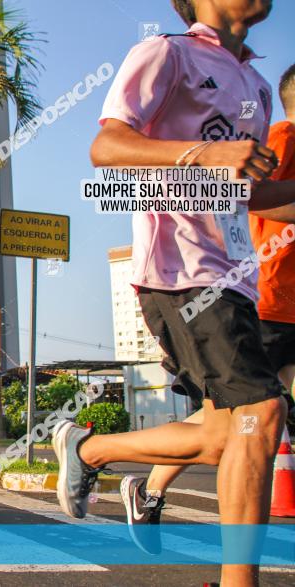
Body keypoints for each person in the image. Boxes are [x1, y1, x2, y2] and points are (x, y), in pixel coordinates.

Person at [53, 2, 293, 584]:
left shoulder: (257, 87)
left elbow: (241, 192)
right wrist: (205, 153)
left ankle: (90, 450)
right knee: (260, 416)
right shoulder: (167, 53)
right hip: (180, 271)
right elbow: (107, 149)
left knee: (222, 435)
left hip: (237, 278)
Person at [122, 62, 295, 554]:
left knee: (241, 418)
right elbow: (250, 197)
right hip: (266, 299)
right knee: (240, 419)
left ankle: (143, 486)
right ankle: (124, 471)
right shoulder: (283, 137)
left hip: (283, 302)